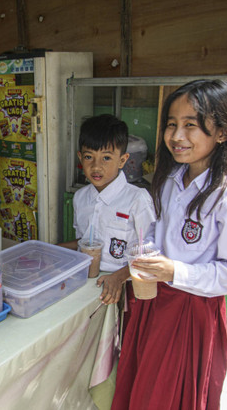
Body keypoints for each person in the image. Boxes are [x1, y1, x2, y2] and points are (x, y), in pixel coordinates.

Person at [111, 80, 227, 410]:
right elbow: (155, 232)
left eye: (190, 126)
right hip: (153, 300)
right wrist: (147, 252)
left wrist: (175, 270)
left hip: (191, 312)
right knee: (141, 382)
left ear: (221, 132)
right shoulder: (170, 179)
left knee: (167, 395)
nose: (176, 137)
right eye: (171, 125)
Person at [58, 114, 155, 305]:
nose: (96, 166)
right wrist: (50, 249)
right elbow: (85, 241)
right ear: (80, 157)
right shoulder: (81, 198)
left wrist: (119, 277)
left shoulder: (137, 199)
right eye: (88, 157)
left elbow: (151, 254)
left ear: (122, 160)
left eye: (106, 158)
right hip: (88, 284)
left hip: (127, 288)